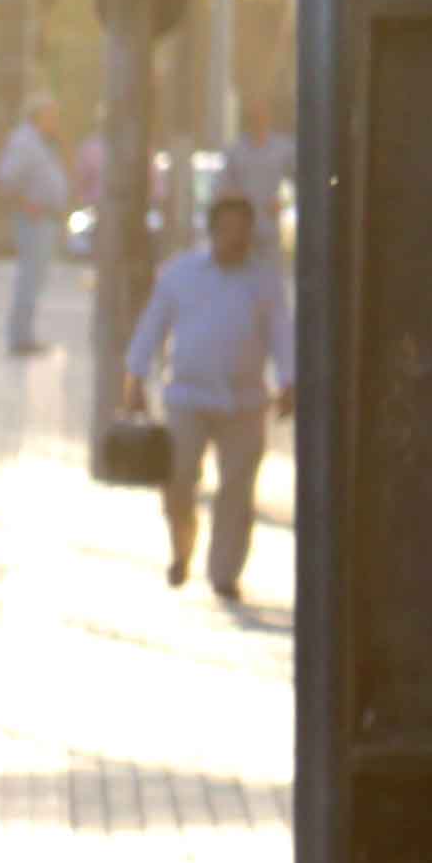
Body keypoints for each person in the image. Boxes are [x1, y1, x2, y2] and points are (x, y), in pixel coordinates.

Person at [121, 190, 297, 604]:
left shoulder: (264, 281)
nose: (236, 237)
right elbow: (151, 327)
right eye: (228, 228)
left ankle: (224, 573)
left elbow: (281, 335)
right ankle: (182, 550)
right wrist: (134, 378)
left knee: (237, 492)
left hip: (246, 402)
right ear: (214, 230)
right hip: (187, 397)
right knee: (178, 480)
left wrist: (290, 381)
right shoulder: (181, 274)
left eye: (243, 229)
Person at [0, 94, 72, 357]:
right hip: (33, 220)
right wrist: (25, 204)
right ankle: (20, 338)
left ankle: (26, 334)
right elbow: (6, 179)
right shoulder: (24, 142)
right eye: (52, 116)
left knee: (35, 280)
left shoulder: (40, 142)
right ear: (39, 116)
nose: (56, 122)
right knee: (28, 279)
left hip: (45, 218)